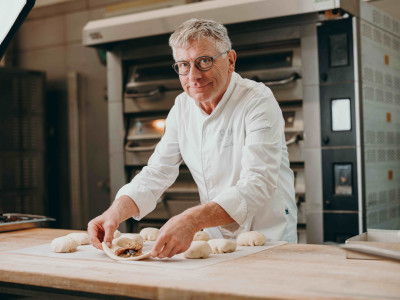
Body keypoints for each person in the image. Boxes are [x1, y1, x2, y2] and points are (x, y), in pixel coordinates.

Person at [88, 18, 297, 258]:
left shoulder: (257, 101)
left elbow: (258, 181)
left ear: (230, 61)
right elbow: (157, 172)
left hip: (269, 235)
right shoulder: (182, 107)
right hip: (216, 241)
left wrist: (192, 219)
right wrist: (114, 213)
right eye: (184, 65)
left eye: (204, 61)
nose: (193, 76)